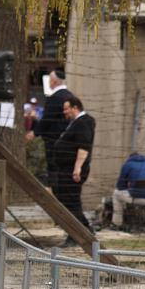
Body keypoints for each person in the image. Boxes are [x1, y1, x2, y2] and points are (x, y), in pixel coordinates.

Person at [53, 97, 96, 234]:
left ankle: (79, 232)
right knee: (67, 200)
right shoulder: (75, 123)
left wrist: (77, 168)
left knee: (71, 202)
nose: (64, 112)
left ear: (75, 108)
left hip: (72, 170)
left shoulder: (83, 122)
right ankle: (83, 230)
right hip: (66, 169)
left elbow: (83, 147)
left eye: (66, 109)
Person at [28, 69, 74, 191]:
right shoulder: (70, 96)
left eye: (49, 80)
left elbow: (48, 118)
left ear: (54, 81)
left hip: (53, 139)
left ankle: (55, 194)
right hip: (67, 138)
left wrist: (35, 132)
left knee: (53, 167)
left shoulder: (55, 98)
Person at [112, 152, 145, 231]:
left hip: (137, 199)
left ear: (130, 158)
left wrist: (128, 188)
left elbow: (120, 186)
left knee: (116, 194)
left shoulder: (127, 165)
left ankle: (117, 224)